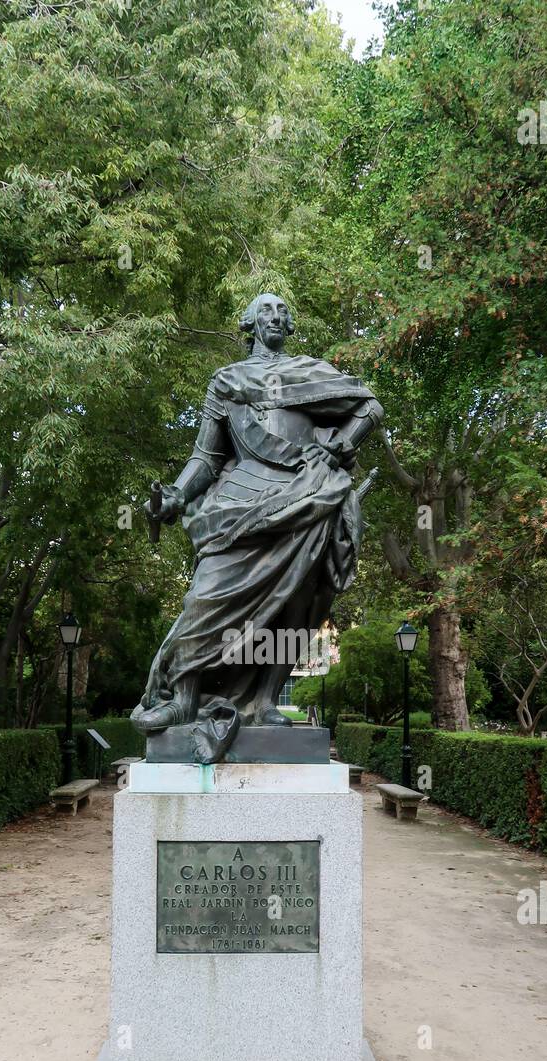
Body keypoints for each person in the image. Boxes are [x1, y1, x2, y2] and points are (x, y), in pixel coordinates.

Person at [131, 293, 383, 759]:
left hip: (308, 499)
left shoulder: (312, 374)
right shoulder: (226, 382)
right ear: (248, 323)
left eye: (283, 311)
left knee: (294, 605)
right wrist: (178, 495)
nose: (276, 317)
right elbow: (205, 458)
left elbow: (370, 408)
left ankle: (266, 701)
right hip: (240, 501)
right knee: (205, 596)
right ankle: (183, 697)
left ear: (289, 325)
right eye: (265, 310)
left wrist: (338, 447)